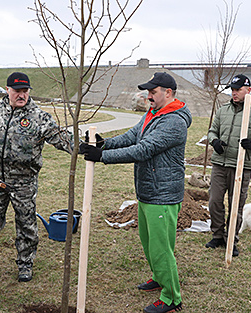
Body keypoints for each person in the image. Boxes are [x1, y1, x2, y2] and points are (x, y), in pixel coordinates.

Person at [80, 72, 191, 313]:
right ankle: (159, 277)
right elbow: (132, 137)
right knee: (149, 242)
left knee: (161, 248)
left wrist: (103, 157)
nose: (148, 95)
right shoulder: (153, 114)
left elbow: (144, 150)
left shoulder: (174, 121)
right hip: (147, 191)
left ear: (168, 93)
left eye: (153, 91)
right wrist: (104, 143)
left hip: (163, 195)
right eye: (148, 91)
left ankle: (172, 298)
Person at [0, 72, 73, 282]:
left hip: (24, 182)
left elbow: (60, 137)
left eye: (25, 91)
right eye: (17, 91)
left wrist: (82, 147)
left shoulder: (38, 117)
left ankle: (25, 264)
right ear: (8, 90)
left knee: (26, 225)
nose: (21, 95)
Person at [205, 74, 251, 257]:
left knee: (237, 205)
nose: (234, 93)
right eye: (232, 90)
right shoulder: (223, 110)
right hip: (220, 163)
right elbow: (212, 131)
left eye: (238, 89)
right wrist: (214, 141)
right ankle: (218, 235)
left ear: (248, 90)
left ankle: (231, 239)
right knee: (214, 201)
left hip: (242, 166)